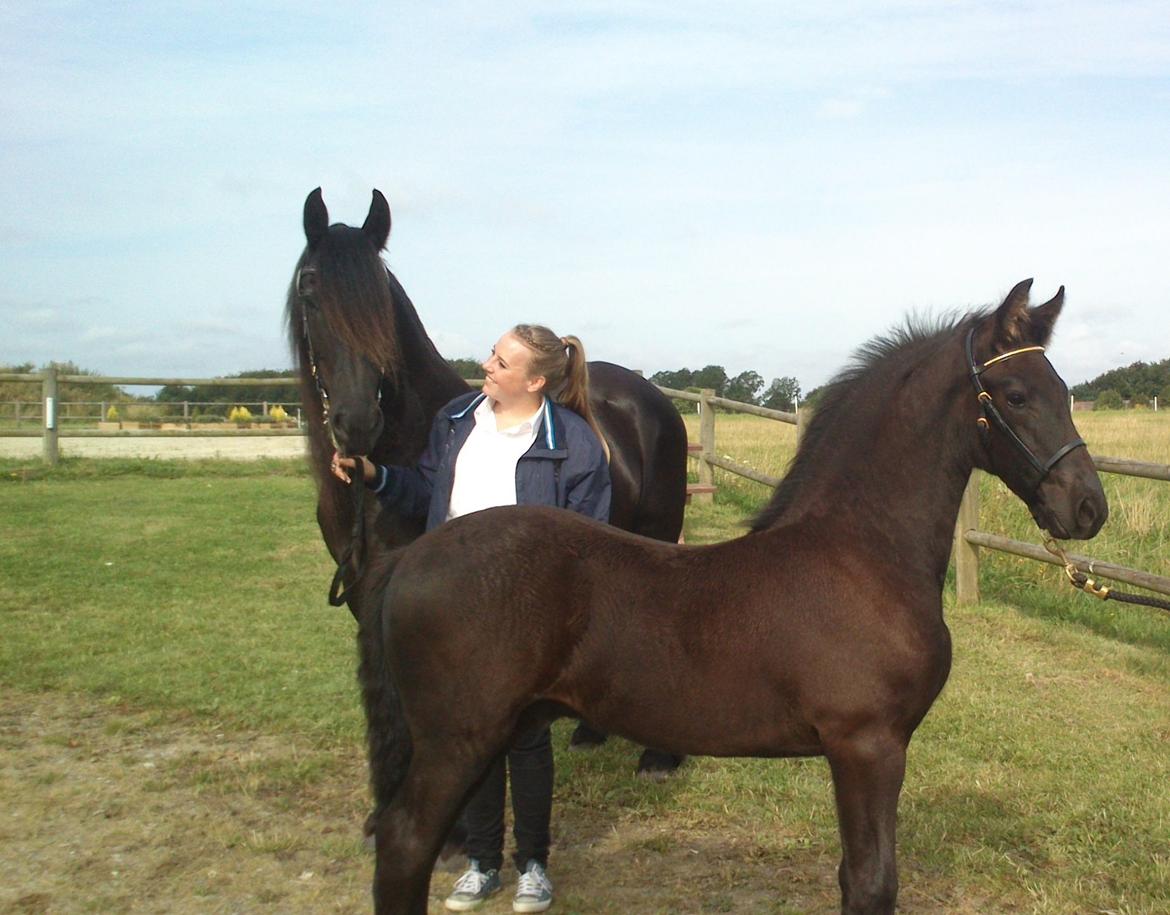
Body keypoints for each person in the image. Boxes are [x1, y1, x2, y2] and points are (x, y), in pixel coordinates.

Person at [332, 323, 611, 914]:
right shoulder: (458, 420)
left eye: (501, 362)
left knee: (526, 741)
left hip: (527, 616)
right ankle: (483, 863)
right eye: (492, 353)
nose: (487, 365)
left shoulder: (575, 445)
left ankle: (533, 863)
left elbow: (593, 546)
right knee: (468, 739)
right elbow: (429, 489)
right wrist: (376, 474)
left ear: (535, 381)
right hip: (458, 611)